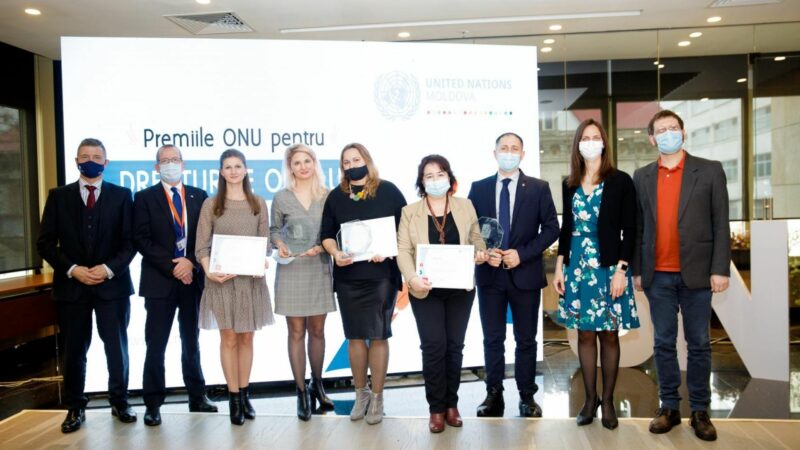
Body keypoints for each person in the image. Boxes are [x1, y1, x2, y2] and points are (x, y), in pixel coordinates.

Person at [632, 110, 730, 442]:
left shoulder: (710, 170)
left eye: (674, 128)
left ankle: (701, 410)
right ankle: (669, 407)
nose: (669, 133)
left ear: (683, 133)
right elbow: (638, 228)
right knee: (662, 343)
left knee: (699, 343)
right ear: (652, 138)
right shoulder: (642, 176)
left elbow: (721, 223)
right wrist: (637, 270)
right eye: (662, 130)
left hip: (699, 274)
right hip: (657, 274)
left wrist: (720, 268)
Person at [37, 138, 137, 433]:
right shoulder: (58, 196)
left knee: (116, 348)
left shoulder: (122, 195)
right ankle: (74, 408)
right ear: (76, 161)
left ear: (106, 163)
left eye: (97, 156)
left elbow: (130, 242)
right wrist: (72, 270)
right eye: (85, 156)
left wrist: (107, 270)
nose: (90, 160)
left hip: (113, 286)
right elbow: (45, 242)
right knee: (74, 350)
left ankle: (120, 402)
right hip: (72, 288)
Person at [552, 119, 640, 430]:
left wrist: (622, 270)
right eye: (584, 138)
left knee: (609, 334)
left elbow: (630, 229)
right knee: (585, 335)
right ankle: (590, 400)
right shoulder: (569, 183)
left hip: (608, 267)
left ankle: (609, 400)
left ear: (603, 143)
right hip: (577, 266)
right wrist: (560, 265)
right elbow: (566, 228)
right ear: (577, 144)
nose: (590, 142)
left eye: (595, 137)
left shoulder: (620, 181)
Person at [467, 132, 559, 418]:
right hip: (490, 276)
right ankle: (493, 394)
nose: (509, 152)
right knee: (492, 339)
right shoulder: (479, 188)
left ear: (523, 153)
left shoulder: (539, 188)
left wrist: (523, 253)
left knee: (526, 339)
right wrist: (484, 251)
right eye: (503, 148)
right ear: (494, 153)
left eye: (514, 148)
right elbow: (471, 231)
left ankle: (527, 396)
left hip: (526, 274)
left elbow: (552, 229)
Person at [397, 155, 488, 433]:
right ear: (421, 182)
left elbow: (475, 238)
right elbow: (403, 250)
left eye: (440, 174)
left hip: (459, 289)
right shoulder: (409, 212)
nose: (435, 180)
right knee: (433, 346)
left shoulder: (465, 206)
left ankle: (452, 404)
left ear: (449, 177)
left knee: (454, 347)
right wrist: (412, 278)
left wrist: (481, 252)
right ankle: (436, 408)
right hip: (425, 290)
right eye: (429, 176)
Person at [320, 142, 407, 425]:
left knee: (379, 334)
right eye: (346, 162)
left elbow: (405, 232)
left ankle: (378, 397)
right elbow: (327, 235)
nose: (351, 165)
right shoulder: (336, 196)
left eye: (355, 159)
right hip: (348, 277)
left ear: (367, 160)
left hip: (382, 275)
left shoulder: (389, 191)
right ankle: (362, 394)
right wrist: (335, 253)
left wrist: (391, 250)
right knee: (355, 336)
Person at [133, 144, 217, 427]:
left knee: (191, 341)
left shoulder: (199, 196)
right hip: (159, 283)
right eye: (164, 160)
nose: (170, 164)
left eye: (174, 159)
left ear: (183, 164)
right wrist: (174, 266)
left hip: (192, 281)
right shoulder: (143, 198)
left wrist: (190, 262)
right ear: (156, 167)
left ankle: (197, 396)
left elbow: (207, 237)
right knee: (155, 344)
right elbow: (142, 240)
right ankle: (153, 403)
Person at [195, 148, 274, 425]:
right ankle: (233, 399)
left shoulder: (258, 203)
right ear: (220, 172)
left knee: (247, 339)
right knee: (228, 338)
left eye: (237, 166)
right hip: (221, 283)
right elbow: (202, 247)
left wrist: (262, 260)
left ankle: (244, 392)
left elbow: (266, 243)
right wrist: (209, 271)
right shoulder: (211, 205)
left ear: (245, 170)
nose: (233, 171)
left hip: (250, 283)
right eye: (227, 166)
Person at [270, 144, 336, 421]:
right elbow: (274, 230)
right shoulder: (282, 197)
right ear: (290, 167)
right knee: (296, 331)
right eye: (296, 163)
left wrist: (322, 248)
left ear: (314, 162)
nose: (303, 166)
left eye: (307, 161)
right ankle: (300, 391)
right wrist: (280, 244)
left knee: (318, 331)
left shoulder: (329, 195)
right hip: (292, 269)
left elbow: (336, 230)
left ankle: (317, 384)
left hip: (319, 266)